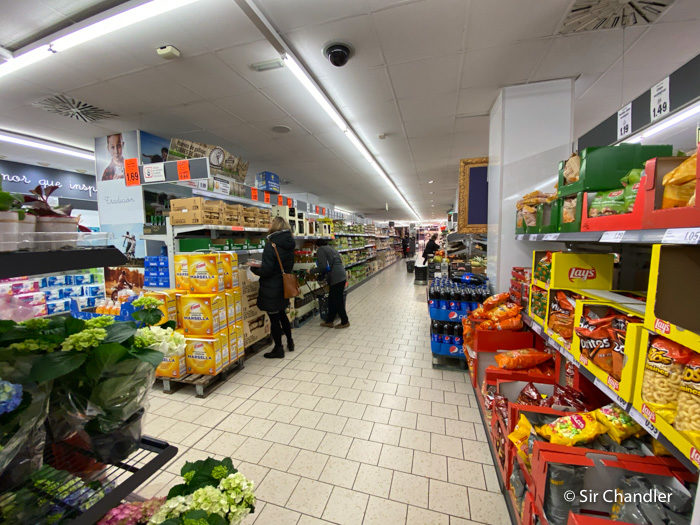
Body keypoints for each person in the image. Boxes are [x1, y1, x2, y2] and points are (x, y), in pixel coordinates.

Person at [249, 217, 296, 358]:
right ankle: (290, 342)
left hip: (272, 287)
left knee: (274, 319)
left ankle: (278, 349)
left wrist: (254, 269)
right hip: (284, 286)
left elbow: (268, 270)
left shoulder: (272, 245)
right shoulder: (290, 243)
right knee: (282, 315)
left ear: (274, 226)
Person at [310, 239, 349, 328]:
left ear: (317, 246)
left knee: (337, 300)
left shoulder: (320, 250)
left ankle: (345, 321)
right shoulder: (331, 248)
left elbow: (323, 267)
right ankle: (329, 321)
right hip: (341, 275)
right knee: (332, 300)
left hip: (336, 278)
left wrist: (311, 271)